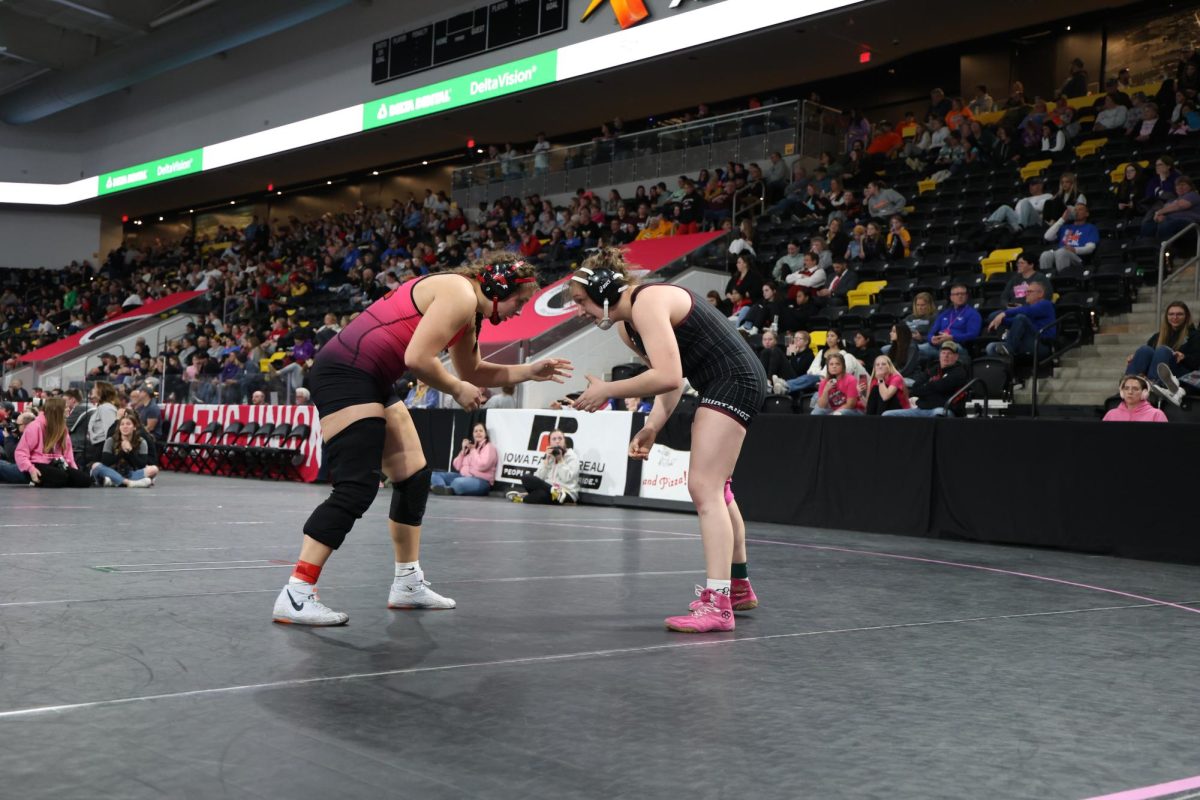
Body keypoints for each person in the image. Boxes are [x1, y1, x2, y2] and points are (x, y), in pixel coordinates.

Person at [272, 255, 572, 626]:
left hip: (371, 377)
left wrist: (529, 371)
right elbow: (418, 358)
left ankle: (408, 584)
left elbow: (472, 370)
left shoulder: (469, 312)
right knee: (356, 486)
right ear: (497, 288)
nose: (518, 312)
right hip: (345, 373)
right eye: (518, 302)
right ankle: (297, 592)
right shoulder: (459, 293)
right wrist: (457, 389)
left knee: (414, 477)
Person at [566, 248, 768, 632]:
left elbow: (671, 376)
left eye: (580, 301)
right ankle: (738, 587)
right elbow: (667, 380)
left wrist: (607, 389)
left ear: (603, 289)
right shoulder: (630, 326)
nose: (579, 311)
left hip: (734, 380)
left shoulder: (648, 302)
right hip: (723, 381)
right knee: (719, 489)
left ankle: (718, 605)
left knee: (703, 488)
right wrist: (652, 426)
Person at [14, 398, 91, 487]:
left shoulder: (62, 428)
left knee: (85, 480)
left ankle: (56, 481)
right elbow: (20, 452)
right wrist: (31, 469)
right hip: (36, 464)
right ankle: (38, 480)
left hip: (57, 464)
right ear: (57, 410)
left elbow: (68, 454)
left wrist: (74, 471)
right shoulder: (35, 426)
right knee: (60, 477)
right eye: (65, 407)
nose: (68, 409)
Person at [1125, 302, 1200, 392]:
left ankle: (1153, 386)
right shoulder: (1158, 336)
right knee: (1144, 350)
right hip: (1157, 372)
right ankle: (1128, 385)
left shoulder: (1195, 336)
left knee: (1162, 351)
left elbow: (1196, 363)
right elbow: (1148, 356)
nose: (1175, 317)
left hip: (1181, 375)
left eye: (1179, 314)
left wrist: (1184, 357)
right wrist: (1136, 357)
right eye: (1171, 314)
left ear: (1186, 317)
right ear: (1166, 317)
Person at [882, 341, 969, 417]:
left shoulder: (959, 372)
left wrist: (927, 388)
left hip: (945, 410)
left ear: (956, 357)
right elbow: (916, 387)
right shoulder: (933, 369)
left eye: (949, 353)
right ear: (939, 355)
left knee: (938, 414)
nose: (946, 356)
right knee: (887, 414)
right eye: (943, 353)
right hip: (922, 409)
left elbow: (939, 387)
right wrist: (931, 388)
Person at [506, 429, 580, 505]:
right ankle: (552, 491)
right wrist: (546, 461)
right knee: (526, 477)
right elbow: (539, 478)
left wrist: (560, 460)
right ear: (550, 443)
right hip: (550, 491)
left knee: (541, 495)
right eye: (554, 439)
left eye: (560, 438)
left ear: (564, 441)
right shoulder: (550, 456)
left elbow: (567, 478)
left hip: (567, 493)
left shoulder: (572, 457)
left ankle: (523, 498)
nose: (557, 441)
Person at [985, 282, 1056, 358]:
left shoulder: (1046, 304)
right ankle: (1008, 358)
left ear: (1040, 294)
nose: (1026, 294)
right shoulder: (1026, 309)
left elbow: (1027, 311)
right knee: (991, 347)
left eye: (1029, 291)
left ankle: (1009, 349)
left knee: (1020, 317)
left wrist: (1004, 314)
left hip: (1040, 343)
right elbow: (1013, 321)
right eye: (1026, 292)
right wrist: (998, 319)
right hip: (1022, 343)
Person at [430, 422, 497, 497]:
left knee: (458, 483)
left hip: (482, 481)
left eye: (481, 431)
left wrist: (473, 450)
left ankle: (448, 488)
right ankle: (442, 488)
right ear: (473, 434)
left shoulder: (489, 447)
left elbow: (482, 465)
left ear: (485, 434)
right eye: (476, 431)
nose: (478, 433)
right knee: (434, 474)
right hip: (463, 477)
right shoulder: (471, 448)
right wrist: (463, 451)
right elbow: (457, 466)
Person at [90, 413, 156, 488]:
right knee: (95, 466)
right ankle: (128, 482)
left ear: (134, 427)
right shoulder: (111, 440)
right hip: (112, 471)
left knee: (154, 469)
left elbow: (141, 465)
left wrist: (130, 451)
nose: (125, 427)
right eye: (122, 424)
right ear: (119, 427)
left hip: (130, 473)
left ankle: (114, 481)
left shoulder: (141, 442)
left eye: (128, 424)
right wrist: (122, 452)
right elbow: (106, 462)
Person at [929, 284, 982, 357]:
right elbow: (931, 332)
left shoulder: (973, 314)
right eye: (957, 294)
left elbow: (973, 335)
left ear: (966, 296)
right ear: (951, 297)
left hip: (958, 345)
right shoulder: (944, 313)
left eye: (963, 294)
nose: (960, 296)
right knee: (917, 348)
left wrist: (952, 337)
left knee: (945, 348)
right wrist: (932, 339)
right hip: (938, 345)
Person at [1142, 176, 1200, 240]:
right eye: (1177, 185)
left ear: (1190, 186)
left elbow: (1179, 205)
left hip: (1189, 223)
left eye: (1183, 185)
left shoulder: (1193, 195)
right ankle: (1147, 247)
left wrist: (1159, 212)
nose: (1180, 187)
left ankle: (1166, 248)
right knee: (1148, 225)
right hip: (1169, 221)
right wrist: (1159, 217)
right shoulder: (1171, 200)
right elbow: (1164, 211)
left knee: (1167, 224)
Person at [1102, 375, 1168, 422]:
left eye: (1135, 389)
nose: (1130, 392)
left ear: (1144, 393)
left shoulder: (1156, 414)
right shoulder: (1111, 414)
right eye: (1126, 388)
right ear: (1122, 392)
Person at [85, 381, 119, 465]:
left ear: (101, 391)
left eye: (95, 388)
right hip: (98, 446)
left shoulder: (106, 408)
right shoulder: (102, 407)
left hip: (102, 447)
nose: (92, 390)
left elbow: (110, 431)